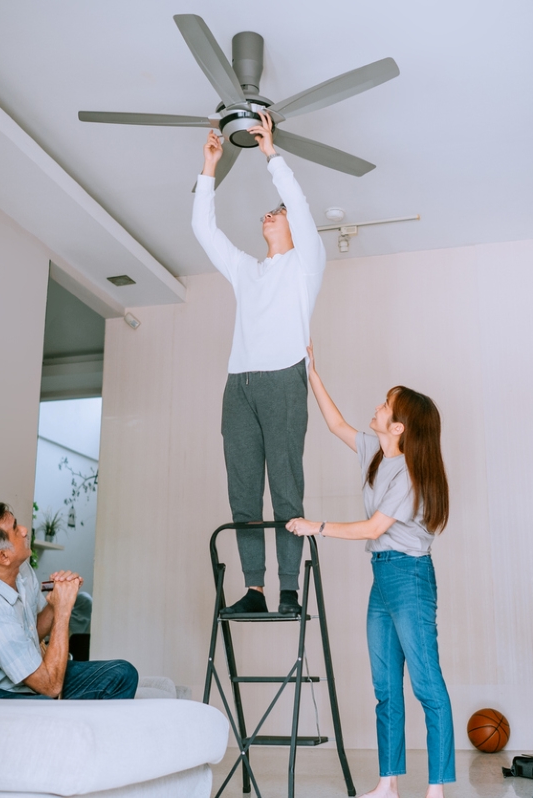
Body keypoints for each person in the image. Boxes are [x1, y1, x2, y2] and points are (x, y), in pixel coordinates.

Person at [286, 346, 455, 798]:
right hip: (382, 577)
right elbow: (336, 424)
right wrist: (311, 373)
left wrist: (315, 526)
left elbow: (372, 527)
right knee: (385, 687)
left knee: (426, 685)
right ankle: (388, 783)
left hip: (410, 578)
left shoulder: (410, 476)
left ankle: (437, 789)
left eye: (386, 405)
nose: (377, 408)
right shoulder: (376, 453)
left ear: (398, 427)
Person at [192, 110, 326, 616]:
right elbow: (203, 230)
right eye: (268, 212)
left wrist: (270, 152)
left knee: (286, 488)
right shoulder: (248, 272)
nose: (270, 215)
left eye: (278, 211)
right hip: (239, 386)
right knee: (243, 491)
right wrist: (209, 169)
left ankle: (289, 588)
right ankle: (254, 589)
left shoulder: (306, 265)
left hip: (283, 380)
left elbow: (299, 205)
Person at [0, 502, 138, 701]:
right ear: (3, 556)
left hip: (22, 684)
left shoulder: (21, 571)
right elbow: (50, 687)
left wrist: (54, 602)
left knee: (122, 673)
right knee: (45, 703)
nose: (25, 530)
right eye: (15, 529)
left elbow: (31, 629)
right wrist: (62, 613)